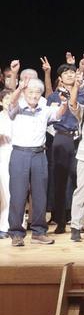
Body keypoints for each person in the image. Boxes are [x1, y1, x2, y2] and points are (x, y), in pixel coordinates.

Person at [6, 77, 71, 246]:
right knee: (18, 195)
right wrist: (20, 88)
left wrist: (64, 103)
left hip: (39, 154)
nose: (34, 95)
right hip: (20, 153)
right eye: (30, 92)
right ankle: (16, 233)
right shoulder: (18, 107)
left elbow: (58, 115)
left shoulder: (44, 109)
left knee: (40, 194)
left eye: (37, 92)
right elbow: (12, 103)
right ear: (25, 93)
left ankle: (38, 232)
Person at [45, 63, 80, 234]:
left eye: (72, 72)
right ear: (60, 77)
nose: (70, 75)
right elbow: (49, 121)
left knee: (78, 180)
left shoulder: (82, 93)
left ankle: (76, 219)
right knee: (60, 181)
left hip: (79, 139)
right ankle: (60, 220)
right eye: (66, 73)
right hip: (61, 138)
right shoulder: (53, 97)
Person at [0, 89, 12, 240]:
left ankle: (14, 225)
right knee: (4, 194)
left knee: (15, 192)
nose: (9, 101)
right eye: (6, 99)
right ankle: (3, 225)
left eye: (12, 98)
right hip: (2, 156)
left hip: (17, 155)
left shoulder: (20, 117)